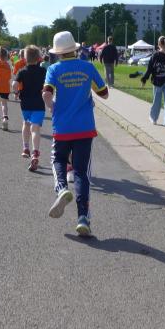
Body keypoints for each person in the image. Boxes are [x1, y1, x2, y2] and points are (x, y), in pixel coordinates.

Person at [43, 31, 109, 236]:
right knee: (81, 172)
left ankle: (62, 188)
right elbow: (104, 93)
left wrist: (52, 107)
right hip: (85, 128)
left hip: (62, 127)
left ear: (57, 52)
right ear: (75, 49)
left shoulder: (53, 69)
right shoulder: (87, 67)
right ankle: (83, 218)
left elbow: (46, 93)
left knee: (58, 159)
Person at [13, 45, 47, 171]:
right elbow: (48, 85)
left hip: (25, 103)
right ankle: (35, 153)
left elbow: (14, 84)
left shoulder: (22, 71)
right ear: (39, 58)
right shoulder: (43, 71)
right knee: (35, 128)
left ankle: (25, 147)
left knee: (26, 123)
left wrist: (16, 92)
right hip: (39, 103)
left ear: (25, 58)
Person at [141, 36, 165, 129]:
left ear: (158, 44)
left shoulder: (155, 55)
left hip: (157, 82)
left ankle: (154, 118)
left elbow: (149, 69)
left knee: (156, 101)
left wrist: (144, 79)